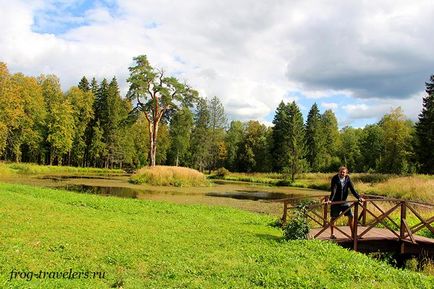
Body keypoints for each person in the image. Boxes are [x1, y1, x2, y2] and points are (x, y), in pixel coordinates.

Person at [328, 166, 364, 239]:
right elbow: (333, 190)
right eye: (341, 172)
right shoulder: (335, 178)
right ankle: (332, 234)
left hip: (344, 201)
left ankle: (353, 234)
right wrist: (330, 200)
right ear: (338, 172)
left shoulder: (347, 178)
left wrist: (359, 197)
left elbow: (352, 189)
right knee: (333, 218)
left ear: (346, 173)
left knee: (351, 216)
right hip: (335, 201)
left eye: (343, 172)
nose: (342, 173)